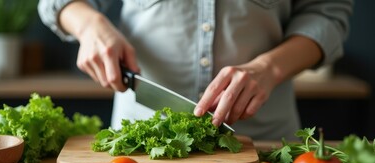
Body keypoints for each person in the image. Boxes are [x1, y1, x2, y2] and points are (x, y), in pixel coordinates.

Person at [38, 0, 353, 140]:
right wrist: (90, 25)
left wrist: (268, 67)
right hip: (138, 145)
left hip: (264, 143)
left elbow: (328, 14)